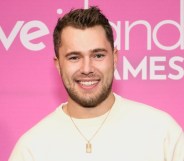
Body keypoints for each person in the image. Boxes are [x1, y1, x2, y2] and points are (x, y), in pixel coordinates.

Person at [9, 6, 184, 161]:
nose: (87, 68)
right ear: (58, 64)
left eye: (98, 55)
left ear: (115, 58)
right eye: (74, 57)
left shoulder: (161, 131)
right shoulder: (32, 148)